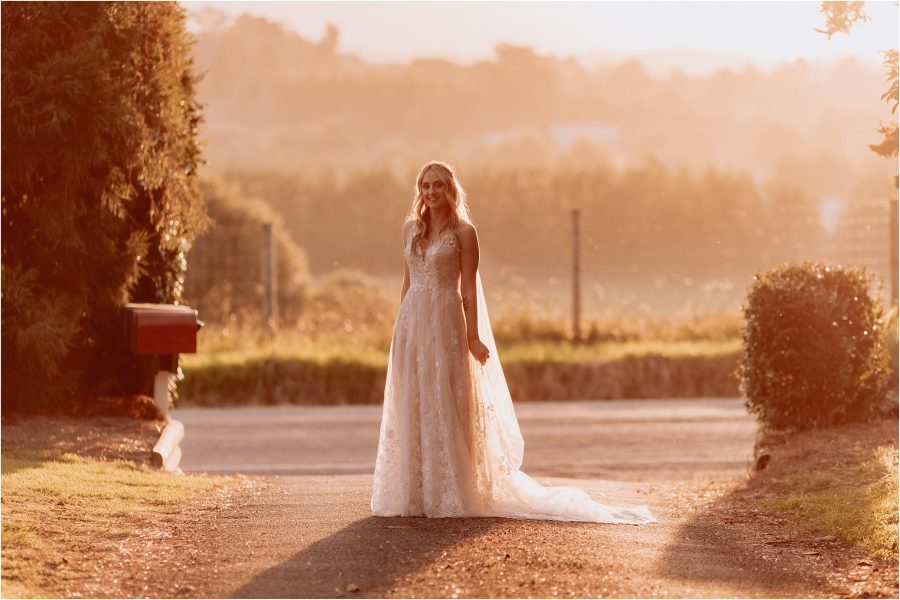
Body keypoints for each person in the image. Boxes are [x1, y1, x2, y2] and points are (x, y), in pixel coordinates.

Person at [371, 160, 657, 525]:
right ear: (420, 190)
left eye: (438, 185)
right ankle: (414, 491)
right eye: (425, 186)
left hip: (445, 320)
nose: (431, 192)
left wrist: (473, 337)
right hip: (412, 323)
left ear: (450, 189)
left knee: (445, 397)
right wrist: (401, 327)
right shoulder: (411, 229)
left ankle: (449, 490)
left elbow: (468, 288)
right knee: (413, 397)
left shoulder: (464, 232)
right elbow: (407, 281)